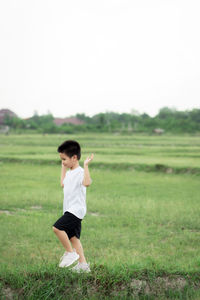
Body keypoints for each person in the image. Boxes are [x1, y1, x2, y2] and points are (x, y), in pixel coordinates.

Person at [52, 140, 93, 273]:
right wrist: (63, 166)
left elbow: (87, 183)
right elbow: (63, 183)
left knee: (57, 228)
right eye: (61, 159)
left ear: (74, 158)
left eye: (64, 159)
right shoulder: (69, 173)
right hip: (70, 209)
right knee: (74, 238)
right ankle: (83, 265)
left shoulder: (80, 172)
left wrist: (86, 165)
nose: (62, 162)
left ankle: (70, 253)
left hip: (76, 210)